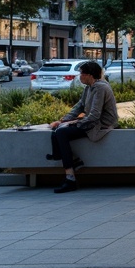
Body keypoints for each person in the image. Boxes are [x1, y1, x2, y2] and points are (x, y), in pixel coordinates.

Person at [46, 60, 118, 194]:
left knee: (61, 133)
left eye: (81, 73)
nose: (79, 76)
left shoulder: (100, 88)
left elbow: (95, 116)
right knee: (57, 131)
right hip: (91, 122)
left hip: (100, 125)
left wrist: (73, 123)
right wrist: (62, 120)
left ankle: (70, 178)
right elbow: (78, 107)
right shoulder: (89, 88)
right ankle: (72, 161)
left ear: (90, 75)